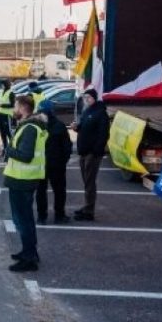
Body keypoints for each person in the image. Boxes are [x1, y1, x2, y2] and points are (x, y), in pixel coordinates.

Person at [2, 95, 48, 272]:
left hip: (23, 180)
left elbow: (26, 156)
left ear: (22, 108)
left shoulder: (29, 128)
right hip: (21, 179)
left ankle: (29, 259)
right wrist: (7, 153)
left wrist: (8, 150)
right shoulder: (29, 126)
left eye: (15, 106)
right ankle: (29, 252)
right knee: (24, 219)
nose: (14, 109)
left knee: (23, 220)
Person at [73, 89, 109, 221]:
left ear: (94, 98)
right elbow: (85, 128)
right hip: (84, 152)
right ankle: (87, 206)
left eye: (88, 97)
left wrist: (95, 151)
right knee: (86, 181)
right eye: (84, 98)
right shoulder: (87, 111)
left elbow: (103, 135)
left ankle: (89, 211)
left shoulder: (100, 113)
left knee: (89, 182)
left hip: (92, 154)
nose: (86, 100)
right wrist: (77, 127)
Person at [35, 100, 72, 224]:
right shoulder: (59, 125)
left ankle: (41, 217)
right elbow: (67, 146)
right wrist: (63, 161)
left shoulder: (36, 126)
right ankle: (59, 216)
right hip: (57, 165)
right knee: (59, 191)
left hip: (41, 164)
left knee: (41, 191)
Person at [0, 79, 15, 151]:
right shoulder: (1, 92)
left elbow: (13, 105)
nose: (1, 86)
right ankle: (5, 147)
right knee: (2, 132)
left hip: (7, 115)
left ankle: (13, 147)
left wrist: (2, 105)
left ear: (5, 85)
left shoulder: (11, 93)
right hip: (0, 114)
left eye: (2, 85)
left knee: (8, 132)